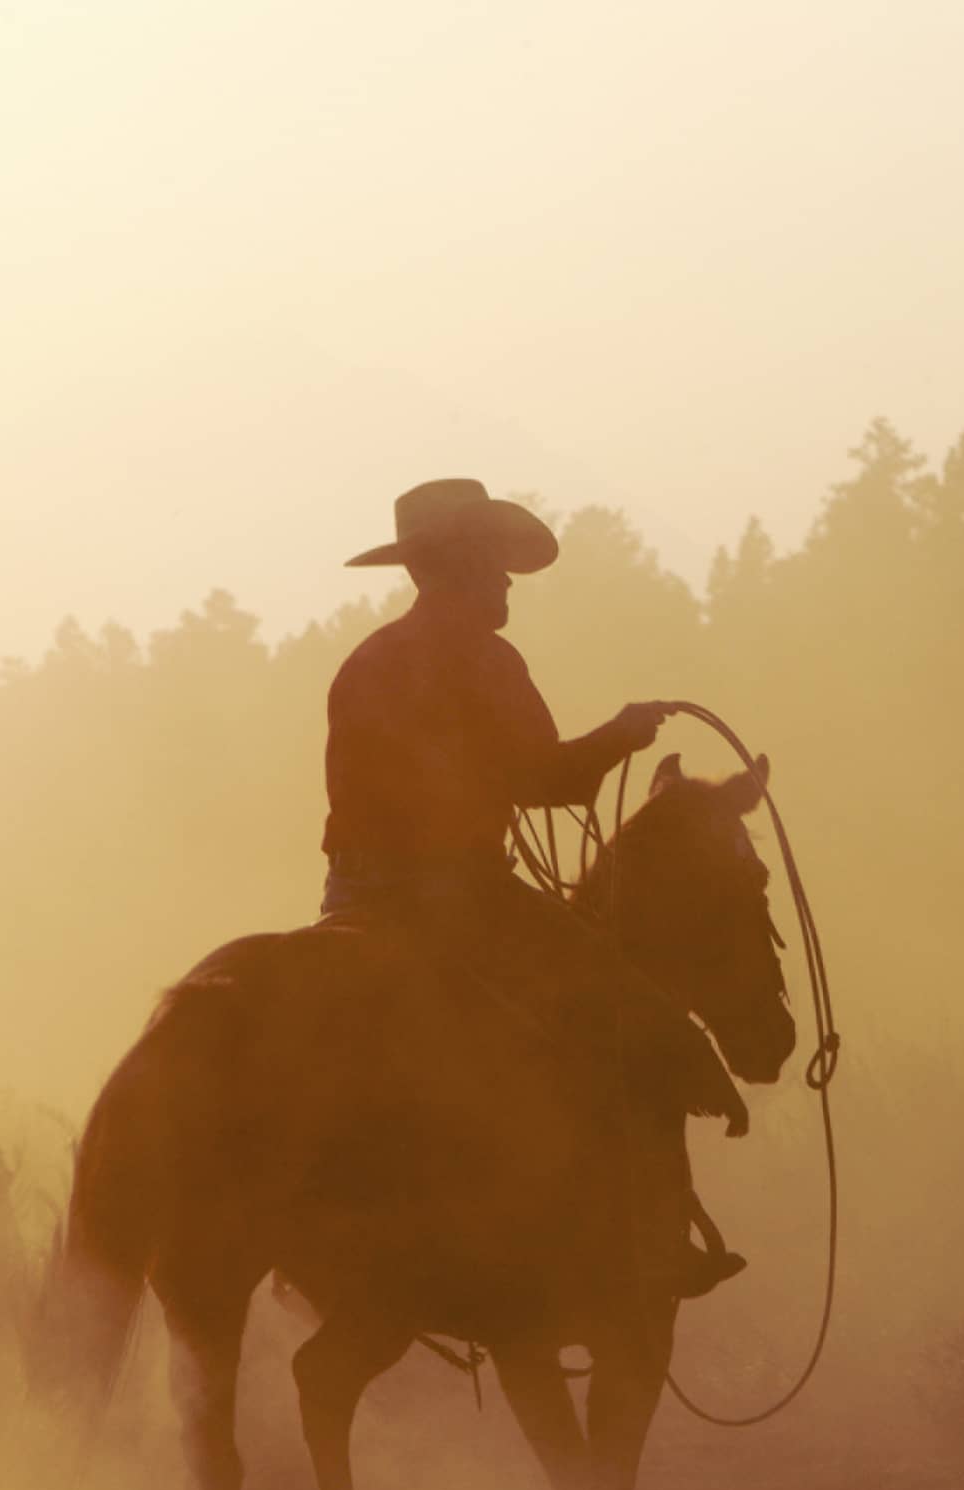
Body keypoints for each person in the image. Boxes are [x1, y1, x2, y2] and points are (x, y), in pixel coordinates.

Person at [319, 478, 744, 1297]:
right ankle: (649, 1236)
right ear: (464, 564)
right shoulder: (482, 655)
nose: (508, 581)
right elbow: (546, 781)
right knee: (619, 1000)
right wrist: (623, 733)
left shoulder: (366, 661)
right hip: (458, 901)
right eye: (495, 564)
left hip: (350, 900)